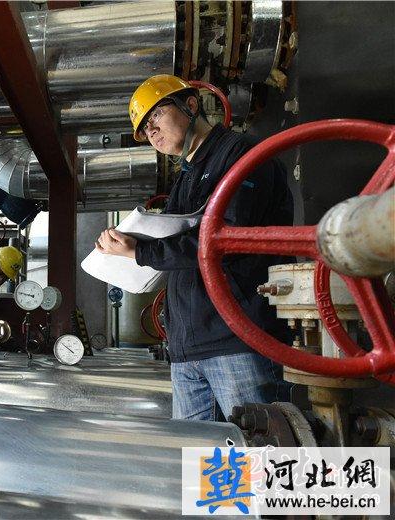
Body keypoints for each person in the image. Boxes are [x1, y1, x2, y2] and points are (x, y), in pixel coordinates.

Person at [96, 74, 293, 421]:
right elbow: (183, 245)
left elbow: (226, 239)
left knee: (259, 451)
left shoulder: (240, 154)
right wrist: (134, 245)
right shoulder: (185, 178)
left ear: (190, 105)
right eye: (144, 129)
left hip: (238, 340)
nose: (151, 131)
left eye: (156, 115)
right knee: (208, 458)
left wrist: (140, 252)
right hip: (188, 348)